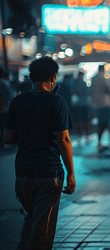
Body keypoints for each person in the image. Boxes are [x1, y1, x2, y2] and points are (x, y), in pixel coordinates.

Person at [3, 57, 75, 249]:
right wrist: (71, 174)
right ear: (53, 77)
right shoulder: (57, 102)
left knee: (32, 219)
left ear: (31, 77)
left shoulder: (18, 101)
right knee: (42, 232)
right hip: (48, 173)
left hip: (23, 174)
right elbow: (64, 141)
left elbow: (7, 138)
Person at [91, 65, 110, 150]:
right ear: (103, 70)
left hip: (96, 105)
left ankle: (99, 142)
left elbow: (91, 92)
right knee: (109, 124)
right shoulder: (104, 79)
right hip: (105, 104)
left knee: (100, 124)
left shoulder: (93, 78)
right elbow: (108, 90)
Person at [72, 71, 92, 144]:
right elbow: (88, 91)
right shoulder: (82, 83)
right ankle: (86, 135)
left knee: (79, 120)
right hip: (84, 103)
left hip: (78, 104)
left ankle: (81, 135)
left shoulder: (74, 83)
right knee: (86, 120)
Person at [0, 67, 12, 148]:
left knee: (2, 128)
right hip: (4, 110)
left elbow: (2, 99)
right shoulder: (4, 84)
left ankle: (3, 143)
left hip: (2, 111)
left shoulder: (2, 84)